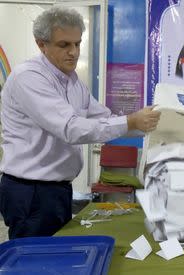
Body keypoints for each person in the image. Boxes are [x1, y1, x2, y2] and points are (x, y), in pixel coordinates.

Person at [0, 7, 160, 239]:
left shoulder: (73, 82)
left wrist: (153, 125)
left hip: (58, 189)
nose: (73, 52)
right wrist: (132, 121)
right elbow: (71, 128)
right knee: (35, 261)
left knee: (56, 256)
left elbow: (104, 120)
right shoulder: (29, 78)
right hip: (31, 191)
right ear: (41, 44)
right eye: (64, 45)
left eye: (77, 44)